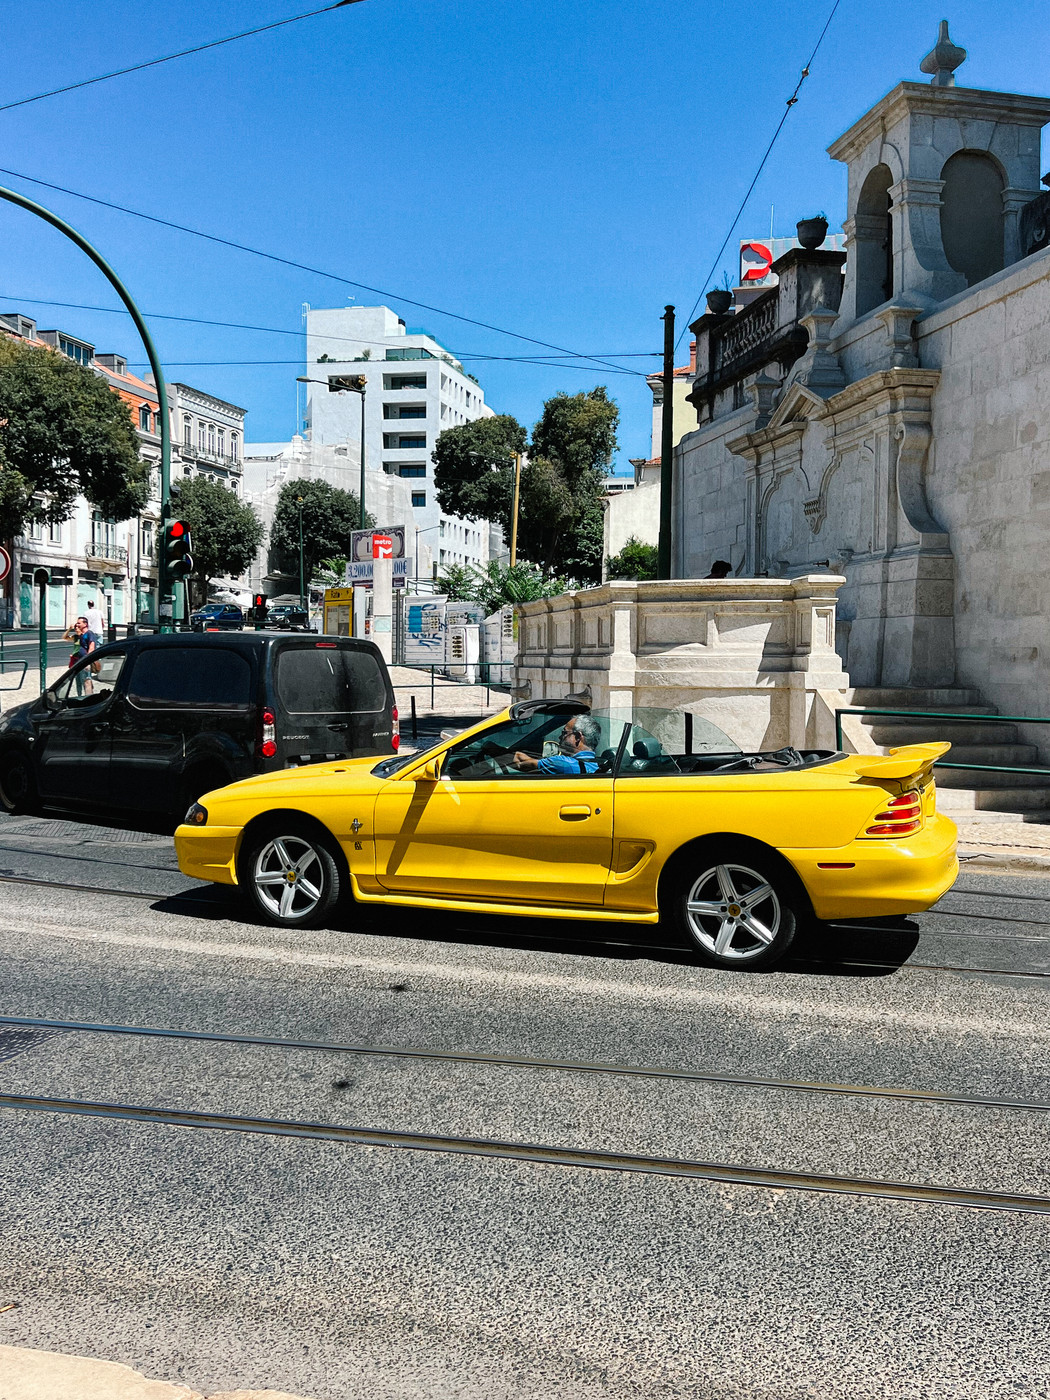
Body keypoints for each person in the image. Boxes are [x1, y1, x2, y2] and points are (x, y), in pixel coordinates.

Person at [513, 714, 601, 775]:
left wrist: (511, 754)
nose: (560, 737)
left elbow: (524, 763)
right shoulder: (598, 765)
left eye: (564, 733)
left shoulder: (562, 763)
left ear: (577, 737)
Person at [62, 616, 98, 697]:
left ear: (85, 624)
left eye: (79, 623)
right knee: (78, 680)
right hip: (77, 661)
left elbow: (91, 647)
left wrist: (87, 660)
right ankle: (79, 697)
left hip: (85, 661)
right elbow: (65, 638)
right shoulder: (79, 635)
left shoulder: (89, 634)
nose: (77, 625)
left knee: (87, 680)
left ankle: (89, 698)